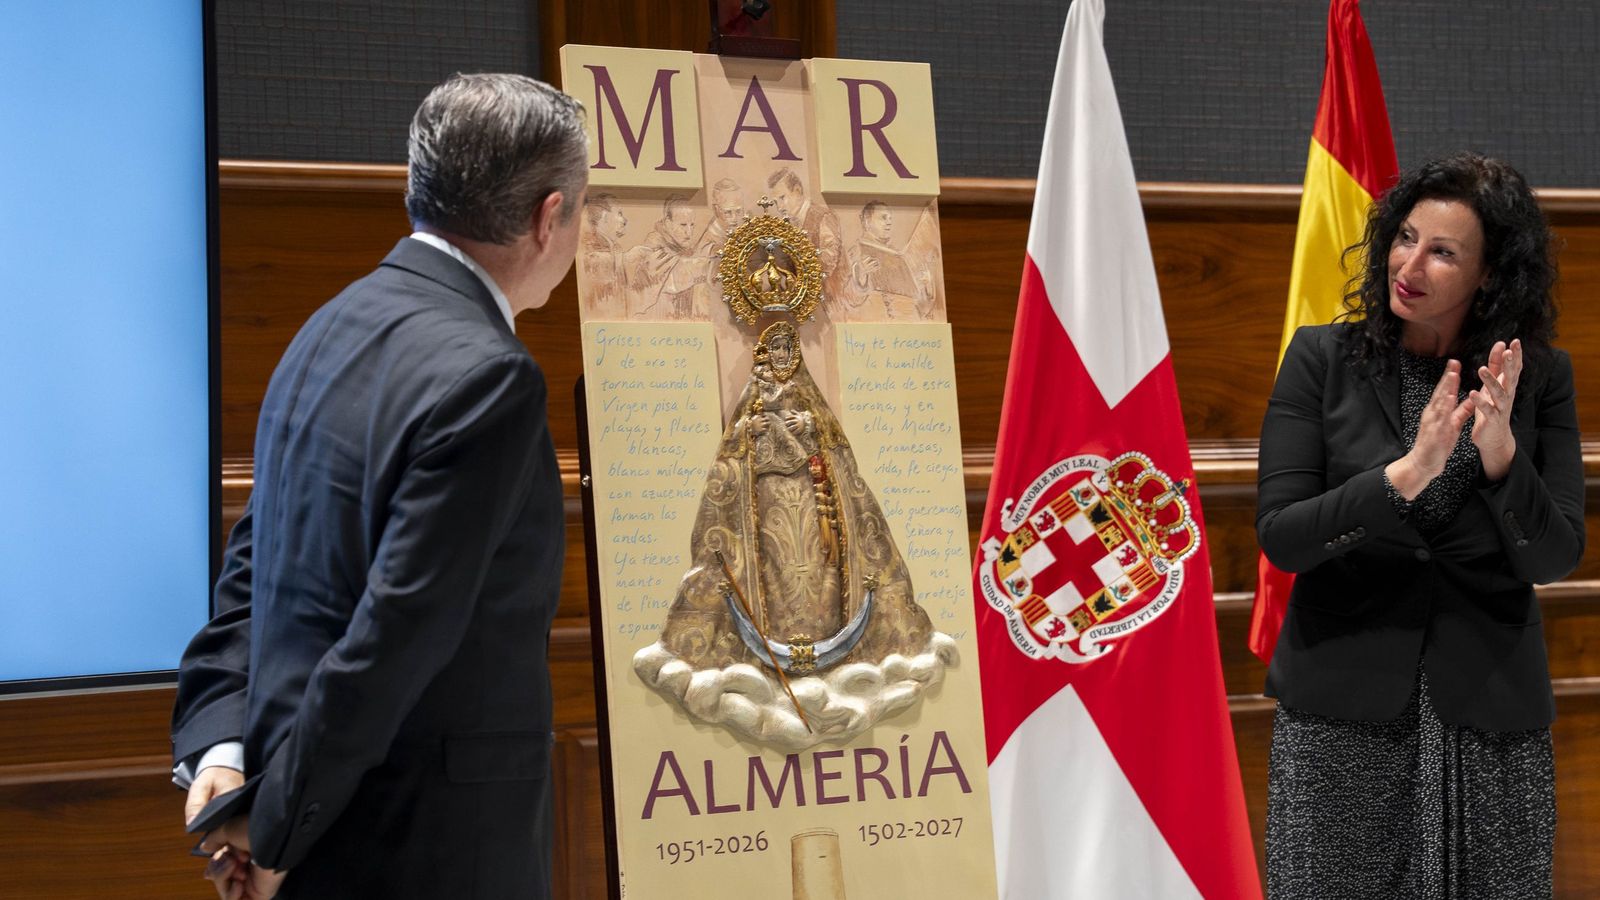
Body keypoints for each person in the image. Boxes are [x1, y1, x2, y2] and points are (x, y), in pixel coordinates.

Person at [170, 73, 587, 899]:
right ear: (548, 219)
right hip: (427, 850)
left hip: (313, 821)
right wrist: (274, 826)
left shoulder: (327, 324)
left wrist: (223, 752)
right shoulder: (492, 379)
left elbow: (251, 572)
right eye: (583, 208)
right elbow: (393, 638)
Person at [1257, 153, 1585, 897]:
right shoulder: (1320, 360)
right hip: (1342, 711)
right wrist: (1404, 476)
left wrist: (1501, 457)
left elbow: (1555, 555)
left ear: (1490, 275)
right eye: (1404, 238)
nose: (1409, 264)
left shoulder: (1537, 379)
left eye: (1442, 252)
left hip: (1490, 718)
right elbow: (1283, 534)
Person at [624, 193, 707, 318]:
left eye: (692, 225)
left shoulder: (685, 247)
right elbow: (675, 277)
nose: (689, 232)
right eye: (683, 225)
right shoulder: (654, 247)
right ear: (668, 223)